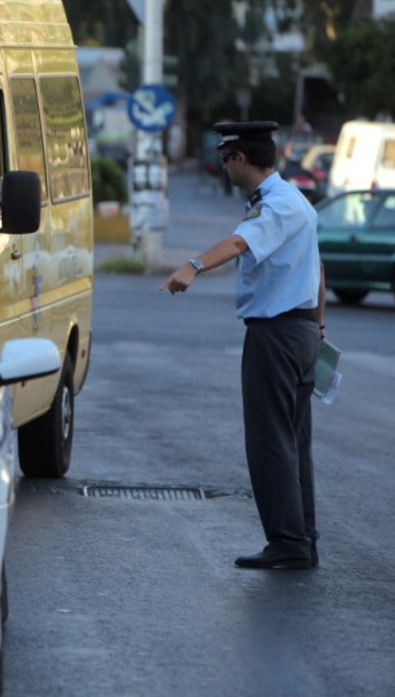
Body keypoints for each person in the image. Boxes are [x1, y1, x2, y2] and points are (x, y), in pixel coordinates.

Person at [159, 120, 327, 570]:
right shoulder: (295, 201)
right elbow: (318, 270)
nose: (222, 165)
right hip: (302, 331)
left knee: (270, 440)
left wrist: (192, 266)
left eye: (224, 156)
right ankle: (300, 537)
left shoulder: (276, 205)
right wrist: (319, 327)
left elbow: (238, 242)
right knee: (293, 442)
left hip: (278, 334)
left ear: (241, 158)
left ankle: (289, 540)